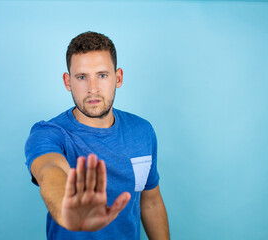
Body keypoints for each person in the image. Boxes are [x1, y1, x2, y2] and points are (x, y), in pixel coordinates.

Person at [25, 31, 170, 240]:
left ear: (118, 78)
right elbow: (50, 171)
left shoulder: (142, 131)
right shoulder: (48, 134)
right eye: (82, 77)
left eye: (102, 75)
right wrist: (66, 208)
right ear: (68, 82)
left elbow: (151, 201)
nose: (92, 89)